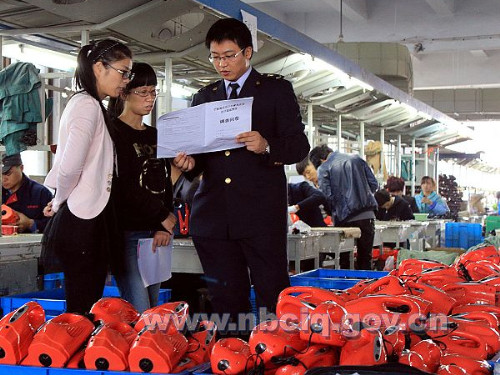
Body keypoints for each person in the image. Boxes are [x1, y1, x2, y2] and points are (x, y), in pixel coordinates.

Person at [173, 18, 310, 332]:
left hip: (260, 217)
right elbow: (203, 159)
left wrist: (266, 146)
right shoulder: (204, 97)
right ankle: (233, 358)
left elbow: (299, 146)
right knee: (226, 302)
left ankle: (275, 357)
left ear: (248, 52)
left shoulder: (275, 91)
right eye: (215, 56)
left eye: (230, 55)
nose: (222, 64)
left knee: (273, 297)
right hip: (215, 219)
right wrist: (189, 164)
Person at [43, 39, 133, 314]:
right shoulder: (86, 106)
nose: (126, 80)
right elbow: (70, 165)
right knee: (82, 308)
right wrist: (58, 201)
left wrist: (58, 197)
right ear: (98, 68)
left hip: (88, 216)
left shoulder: (91, 104)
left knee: (85, 304)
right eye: (123, 71)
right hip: (82, 220)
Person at [109, 62, 176, 312]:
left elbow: (165, 182)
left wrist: (163, 224)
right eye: (143, 92)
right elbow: (122, 184)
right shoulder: (114, 132)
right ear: (125, 93)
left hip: (156, 235)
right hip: (128, 234)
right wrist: (161, 216)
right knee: (138, 308)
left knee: (152, 309)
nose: (150, 99)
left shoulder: (156, 135)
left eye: (153, 92)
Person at [311, 144, 378, 270]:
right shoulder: (356, 158)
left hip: (344, 220)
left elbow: (327, 197)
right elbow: (374, 185)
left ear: (320, 160)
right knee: (365, 258)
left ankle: (349, 288)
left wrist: (332, 212)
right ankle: (366, 287)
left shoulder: (324, 168)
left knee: (345, 259)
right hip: (368, 215)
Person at [2, 153, 53, 233]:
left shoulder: (40, 193)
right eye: (0, 174)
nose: (3, 179)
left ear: (21, 168)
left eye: (8, 173)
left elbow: (55, 225)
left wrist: (31, 224)